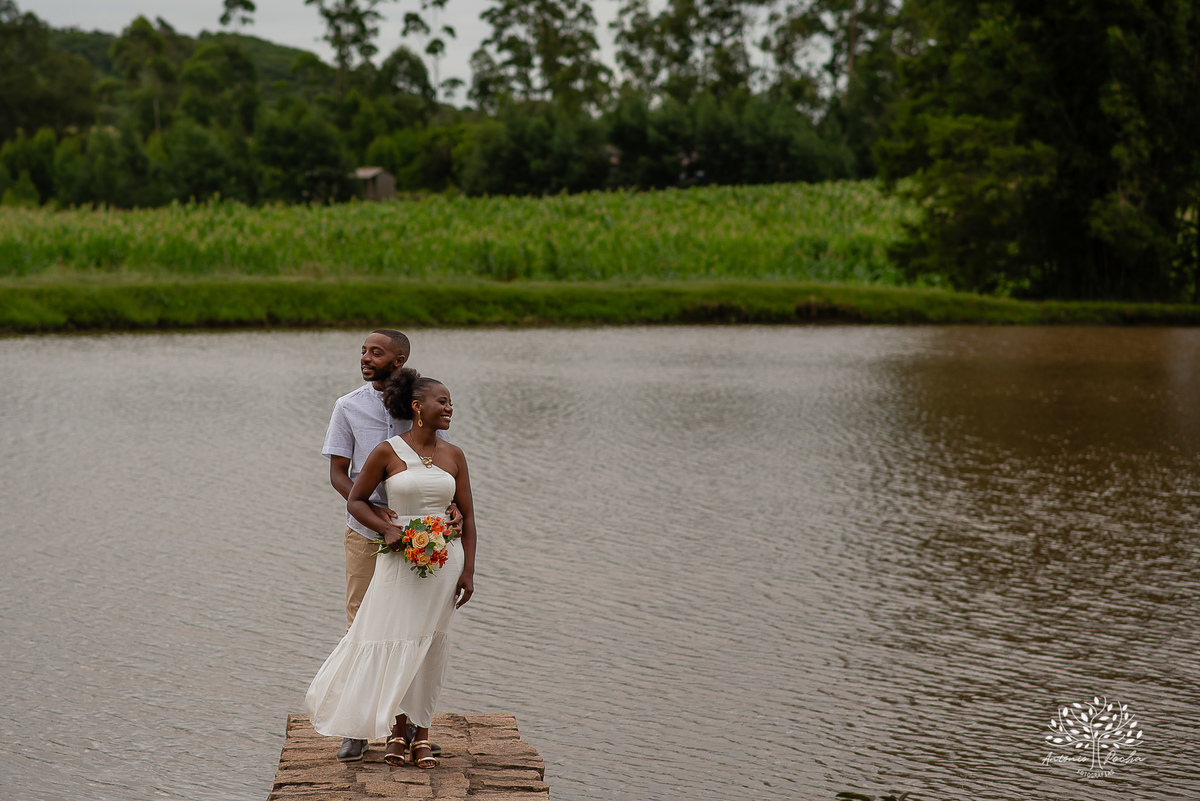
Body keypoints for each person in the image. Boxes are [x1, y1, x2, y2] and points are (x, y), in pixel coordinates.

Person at [306, 368, 477, 770]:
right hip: (398, 557)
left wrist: (468, 570)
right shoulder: (385, 450)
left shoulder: (454, 454)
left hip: (445, 563)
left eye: (451, 402)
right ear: (417, 407)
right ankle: (392, 730)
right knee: (391, 636)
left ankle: (422, 732)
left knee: (429, 645)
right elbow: (355, 499)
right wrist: (388, 528)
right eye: (443, 401)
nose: (450, 407)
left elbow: (468, 515)